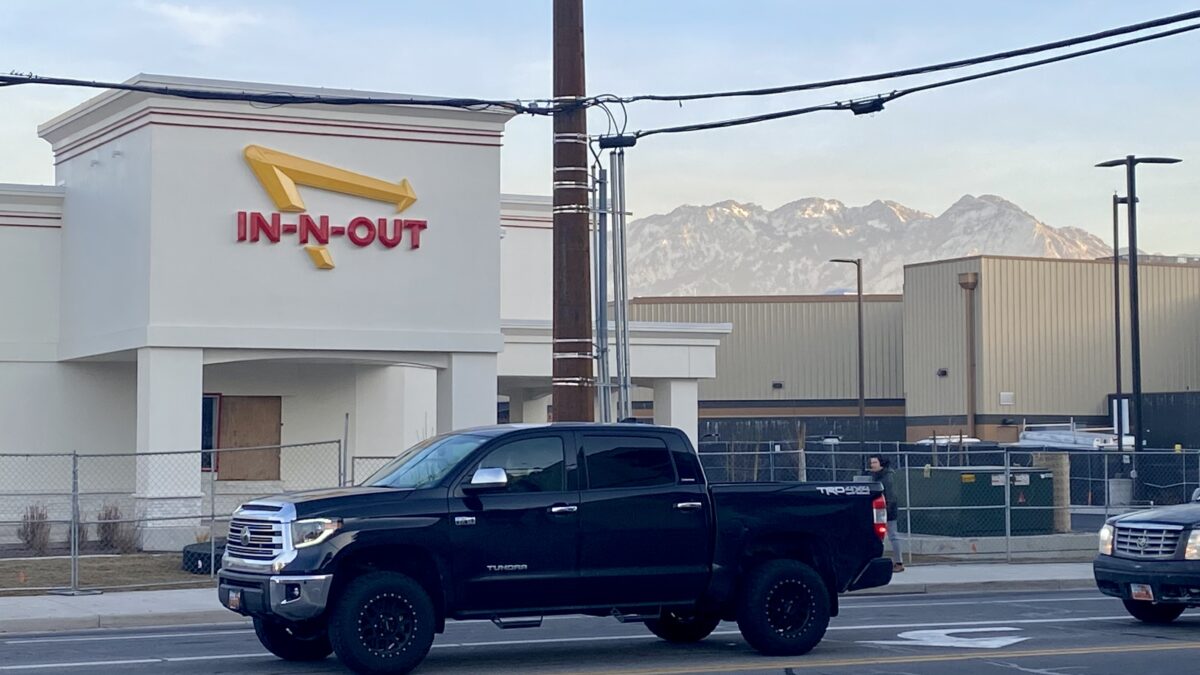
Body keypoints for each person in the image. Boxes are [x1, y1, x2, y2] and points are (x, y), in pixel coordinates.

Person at [868, 456, 904, 572]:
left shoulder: (887, 478)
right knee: (879, 537)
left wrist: (886, 511)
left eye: (874, 462)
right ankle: (876, 561)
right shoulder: (877, 477)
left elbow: (891, 496)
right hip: (879, 510)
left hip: (886, 511)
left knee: (893, 536)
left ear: (881, 464)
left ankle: (899, 562)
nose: (872, 465)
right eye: (871, 462)